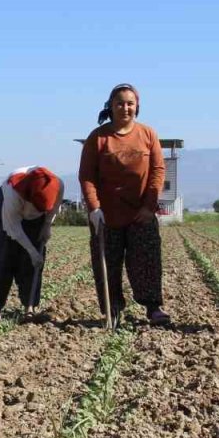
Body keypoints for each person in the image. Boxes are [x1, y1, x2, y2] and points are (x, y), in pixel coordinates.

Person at [78, 83, 171, 326]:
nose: (125, 108)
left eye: (130, 103)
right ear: (111, 106)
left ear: (137, 107)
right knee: (107, 263)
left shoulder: (148, 134)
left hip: (141, 213)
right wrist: (94, 208)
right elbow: (87, 175)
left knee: (147, 260)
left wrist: (149, 206)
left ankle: (153, 307)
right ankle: (113, 308)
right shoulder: (97, 138)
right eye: (120, 103)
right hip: (106, 215)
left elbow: (158, 171)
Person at [0, 166, 64, 322]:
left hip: (38, 216)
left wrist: (47, 225)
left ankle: (29, 307)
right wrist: (32, 252)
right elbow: (13, 229)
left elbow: (53, 208)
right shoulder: (12, 192)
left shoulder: (57, 185)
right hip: (8, 216)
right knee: (3, 256)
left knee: (33, 264)